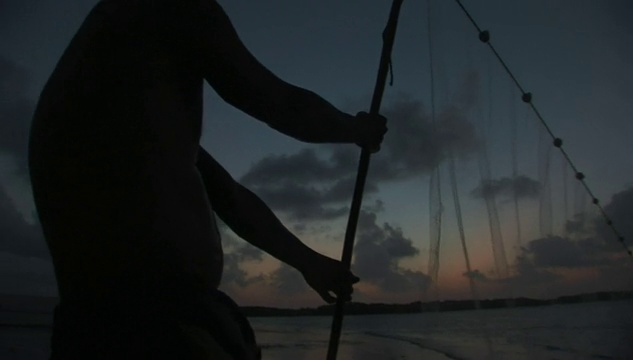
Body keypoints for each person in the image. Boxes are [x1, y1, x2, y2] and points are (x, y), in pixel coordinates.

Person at [28, 0, 387, 359]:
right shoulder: (167, 9)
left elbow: (229, 196)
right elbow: (280, 105)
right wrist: (355, 129)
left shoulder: (139, 116)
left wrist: (308, 261)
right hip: (146, 327)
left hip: (143, 322)